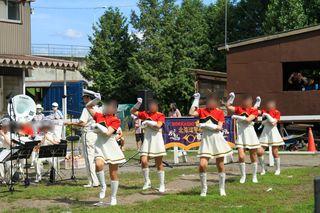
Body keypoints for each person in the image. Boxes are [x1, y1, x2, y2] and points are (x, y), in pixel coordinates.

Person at [189, 93, 232, 196]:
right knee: (202, 165)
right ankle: (204, 189)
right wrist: (196, 99)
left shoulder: (220, 112)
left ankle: (222, 189)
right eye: (209, 101)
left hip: (216, 139)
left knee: (220, 165)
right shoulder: (202, 111)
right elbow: (191, 112)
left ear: (216, 103)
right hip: (206, 140)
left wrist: (205, 125)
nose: (210, 103)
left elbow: (219, 127)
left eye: (213, 101)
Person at [87, 99, 126, 206]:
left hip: (111, 146)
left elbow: (108, 133)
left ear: (115, 109)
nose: (107, 107)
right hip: (99, 145)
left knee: (113, 174)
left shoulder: (116, 120)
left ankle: (113, 197)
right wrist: (96, 99)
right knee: (98, 164)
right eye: (107, 105)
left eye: (111, 106)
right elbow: (88, 107)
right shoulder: (99, 116)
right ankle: (103, 186)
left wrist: (97, 126)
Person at [64, 89, 100, 188]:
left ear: (88, 98)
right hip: (95, 134)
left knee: (89, 159)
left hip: (88, 134)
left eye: (84, 97)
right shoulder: (97, 108)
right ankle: (95, 180)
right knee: (94, 158)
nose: (83, 99)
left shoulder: (86, 109)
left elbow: (82, 123)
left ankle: (93, 181)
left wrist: (70, 123)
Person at [130, 98, 166, 193]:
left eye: (154, 105)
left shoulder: (160, 115)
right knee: (143, 160)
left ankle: (162, 184)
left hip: (156, 139)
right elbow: (133, 111)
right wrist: (138, 103)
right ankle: (147, 181)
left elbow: (158, 125)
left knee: (159, 163)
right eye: (150, 105)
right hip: (147, 139)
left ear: (157, 106)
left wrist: (148, 122)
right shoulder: (145, 114)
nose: (152, 107)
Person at [226, 93, 260, 184]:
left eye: (248, 100)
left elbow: (248, 119)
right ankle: (243, 175)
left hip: (250, 133)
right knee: (241, 156)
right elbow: (228, 106)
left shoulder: (254, 110)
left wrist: (236, 116)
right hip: (241, 134)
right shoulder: (239, 109)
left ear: (251, 102)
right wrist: (231, 98)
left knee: (253, 156)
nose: (246, 102)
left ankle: (254, 175)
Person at [257, 100, 284, 176]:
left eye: (270, 105)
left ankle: (278, 169)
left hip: (273, 133)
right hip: (265, 133)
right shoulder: (264, 111)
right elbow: (257, 113)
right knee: (259, 151)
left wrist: (266, 116)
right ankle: (263, 169)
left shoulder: (277, 112)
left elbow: (273, 122)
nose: (268, 106)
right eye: (267, 105)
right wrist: (257, 104)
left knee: (274, 152)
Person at [0, 118, 12, 183]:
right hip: (0, 152)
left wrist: (3, 135)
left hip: (8, 152)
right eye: (3, 126)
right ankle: (3, 178)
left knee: (10, 165)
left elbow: (10, 144)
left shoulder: (10, 134)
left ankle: (8, 178)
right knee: (0, 163)